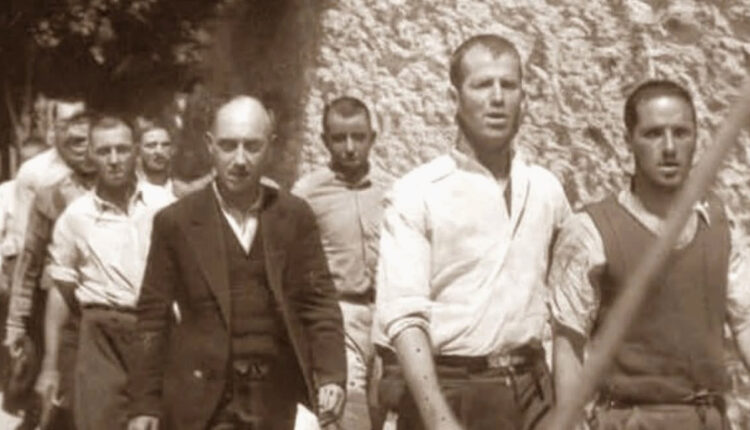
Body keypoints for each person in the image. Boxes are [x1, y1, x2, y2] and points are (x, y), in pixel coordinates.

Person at [373, 34, 571, 430]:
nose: (497, 98)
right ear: (454, 98)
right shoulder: (418, 193)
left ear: (524, 99)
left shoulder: (546, 190)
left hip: (533, 391)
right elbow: (404, 320)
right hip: (454, 389)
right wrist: (439, 419)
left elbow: (573, 300)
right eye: (482, 85)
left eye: (508, 85)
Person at [128, 96, 347, 430]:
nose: (240, 160)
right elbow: (152, 317)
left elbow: (319, 303)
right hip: (206, 401)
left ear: (270, 147)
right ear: (210, 145)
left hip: (277, 398)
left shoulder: (294, 216)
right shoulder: (177, 222)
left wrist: (331, 375)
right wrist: (144, 404)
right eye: (228, 146)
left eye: (252, 146)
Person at [550, 80, 750, 429]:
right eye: (654, 134)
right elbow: (568, 343)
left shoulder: (719, 224)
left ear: (696, 137)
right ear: (628, 141)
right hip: (630, 420)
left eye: (681, 133)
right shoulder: (591, 231)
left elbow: (746, 320)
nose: (669, 148)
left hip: (706, 419)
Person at [43, 114, 174, 429]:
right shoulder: (75, 217)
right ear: (91, 154)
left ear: (136, 151)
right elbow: (60, 293)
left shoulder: (166, 206)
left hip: (156, 332)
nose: (114, 160)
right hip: (101, 337)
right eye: (104, 151)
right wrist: (50, 365)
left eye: (122, 149)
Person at [293, 96, 389, 429]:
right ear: (325, 141)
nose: (349, 148)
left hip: (385, 315)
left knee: (380, 408)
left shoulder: (392, 190)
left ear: (372, 138)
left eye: (358, 137)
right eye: (339, 138)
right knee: (349, 411)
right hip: (339, 314)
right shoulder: (306, 194)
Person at [4, 113, 98, 429]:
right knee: (57, 396)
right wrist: (16, 324)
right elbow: (29, 262)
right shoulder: (51, 195)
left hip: (110, 308)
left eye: (89, 140)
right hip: (59, 309)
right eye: (75, 142)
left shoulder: (125, 188)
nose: (83, 149)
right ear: (61, 147)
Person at [2, 100, 86, 277]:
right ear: (54, 128)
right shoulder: (34, 172)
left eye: (81, 122)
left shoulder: (108, 163)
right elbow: (23, 242)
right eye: (66, 124)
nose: (75, 132)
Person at [136, 117, 177, 195]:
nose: (159, 151)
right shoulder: (134, 192)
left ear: (172, 149)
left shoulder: (181, 191)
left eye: (165, 145)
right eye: (151, 145)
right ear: (138, 151)